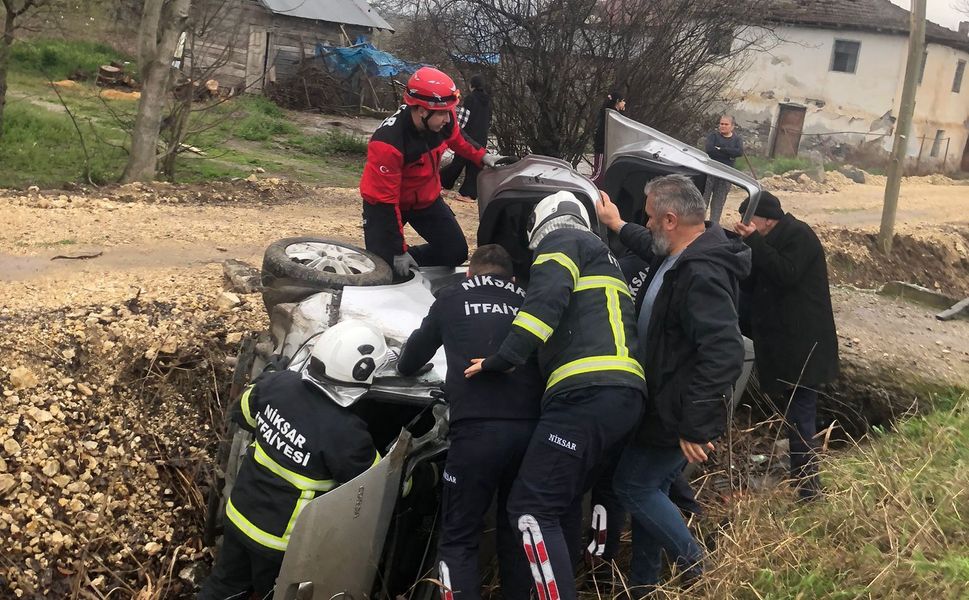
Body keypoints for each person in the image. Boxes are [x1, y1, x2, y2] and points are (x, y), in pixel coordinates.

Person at [465, 191, 646, 600]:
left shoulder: (560, 243)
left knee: (529, 507)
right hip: (623, 395)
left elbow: (543, 305)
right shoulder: (602, 253)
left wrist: (503, 358)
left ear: (539, 223)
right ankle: (578, 581)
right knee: (560, 504)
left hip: (586, 394)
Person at [596, 175, 750, 592]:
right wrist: (615, 224)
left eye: (648, 218)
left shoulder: (701, 273)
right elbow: (652, 247)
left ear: (669, 219)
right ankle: (645, 586)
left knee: (632, 485)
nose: (644, 225)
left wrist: (695, 424)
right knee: (652, 493)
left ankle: (707, 572)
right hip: (665, 403)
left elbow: (725, 352)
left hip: (676, 411)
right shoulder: (681, 254)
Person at [198, 320, 386, 600]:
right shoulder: (348, 433)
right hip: (279, 545)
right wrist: (421, 477)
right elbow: (378, 485)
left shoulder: (278, 383)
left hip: (238, 515)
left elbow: (245, 414)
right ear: (363, 372)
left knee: (223, 587)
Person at [396, 244, 542, 600]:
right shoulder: (530, 299)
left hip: (476, 432)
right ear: (510, 277)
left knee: (459, 536)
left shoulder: (451, 295)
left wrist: (404, 367)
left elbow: (413, 356)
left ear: (471, 272)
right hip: (531, 431)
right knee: (516, 529)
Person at [733, 192, 839, 501]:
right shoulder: (768, 239)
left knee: (801, 413)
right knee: (797, 413)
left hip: (804, 346)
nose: (745, 225)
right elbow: (753, 283)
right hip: (785, 344)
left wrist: (753, 243)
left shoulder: (798, 234)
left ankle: (808, 487)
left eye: (748, 220)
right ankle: (803, 479)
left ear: (767, 219)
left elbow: (785, 273)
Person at [360, 66, 509, 279]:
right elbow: (385, 202)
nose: (448, 119)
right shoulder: (388, 144)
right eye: (442, 113)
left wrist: (483, 156)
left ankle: (411, 259)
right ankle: (389, 260)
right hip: (386, 205)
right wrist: (397, 250)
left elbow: (458, 139)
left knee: (455, 252)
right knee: (385, 268)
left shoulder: (442, 120)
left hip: (425, 199)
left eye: (449, 111)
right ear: (421, 110)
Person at [440, 73, 492, 201]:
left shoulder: (470, 99)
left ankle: (442, 182)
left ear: (472, 85)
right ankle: (468, 194)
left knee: (457, 163)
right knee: (474, 168)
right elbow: (490, 120)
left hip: (468, 137)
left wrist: (456, 129)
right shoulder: (488, 101)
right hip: (481, 137)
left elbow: (463, 117)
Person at [703, 115, 744, 224]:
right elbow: (710, 150)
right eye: (721, 124)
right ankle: (698, 226)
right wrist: (729, 154)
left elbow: (739, 152)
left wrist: (721, 149)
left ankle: (713, 227)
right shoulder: (713, 136)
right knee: (703, 202)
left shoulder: (737, 139)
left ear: (732, 126)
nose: (723, 126)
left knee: (718, 204)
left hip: (726, 175)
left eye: (726, 124)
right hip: (709, 173)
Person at [591, 91, 626, 188]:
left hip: (606, 149)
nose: (624, 103)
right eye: (623, 101)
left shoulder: (611, 115)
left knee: (599, 175)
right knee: (598, 176)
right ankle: (582, 188)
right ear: (617, 101)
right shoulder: (610, 116)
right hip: (602, 148)